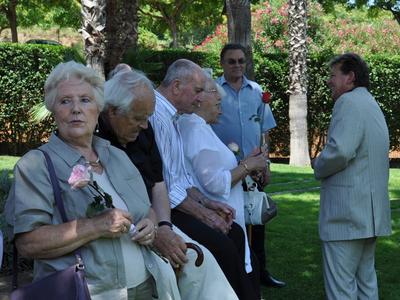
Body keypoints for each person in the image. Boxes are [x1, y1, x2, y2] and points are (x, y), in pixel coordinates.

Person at [5, 61, 181, 300]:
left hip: (147, 286)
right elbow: (28, 244)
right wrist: (96, 226)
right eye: (65, 101)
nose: (76, 109)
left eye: (85, 100)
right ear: (53, 110)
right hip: (88, 293)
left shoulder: (118, 156)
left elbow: (147, 211)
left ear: (99, 108)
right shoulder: (36, 165)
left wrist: (151, 226)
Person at [97, 64, 238, 299]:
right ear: (112, 111)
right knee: (190, 263)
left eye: (147, 118)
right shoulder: (96, 138)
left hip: (154, 222)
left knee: (200, 261)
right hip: (125, 232)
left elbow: (159, 184)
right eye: (138, 119)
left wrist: (164, 227)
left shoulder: (144, 129)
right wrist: (158, 230)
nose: (144, 125)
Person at [150, 58, 260, 300]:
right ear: (176, 86)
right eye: (198, 91)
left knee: (234, 235)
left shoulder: (173, 117)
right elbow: (166, 186)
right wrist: (203, 213)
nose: (200, 99)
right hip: (160, 212)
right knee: (222, 246)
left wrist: (207, 205)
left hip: (174, 204)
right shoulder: (158, 116)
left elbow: (180, 179)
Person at [178, 78, 270, 294]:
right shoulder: (194, 129)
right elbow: (215, 183)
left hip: (222, 215)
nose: (221, 98)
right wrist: (248, 166)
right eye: (214, 93)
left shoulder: (200, 127)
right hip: (219, 216)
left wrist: (245, 165)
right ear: (198, 99)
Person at [312, 53, 392, 299]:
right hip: (369, 215)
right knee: (366, 284)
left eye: (333, 75)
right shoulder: (370, 103)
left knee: (341, 288)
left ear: (350, 77)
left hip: (346, 216)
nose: (329, 81)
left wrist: (319, 164)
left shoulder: (347, 103)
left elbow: (340, 151)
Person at [211, 43, 286, 288]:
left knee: (257, 222)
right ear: (222, 63)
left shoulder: (256, 91)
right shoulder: (212, 91)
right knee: (229, 222)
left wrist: (266, 164)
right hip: (226, 169)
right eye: (231, 61)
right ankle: (233, 273)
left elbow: (265, 131)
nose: (237, 66)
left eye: (241, 61)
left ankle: (260, 272)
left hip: (253, 169)